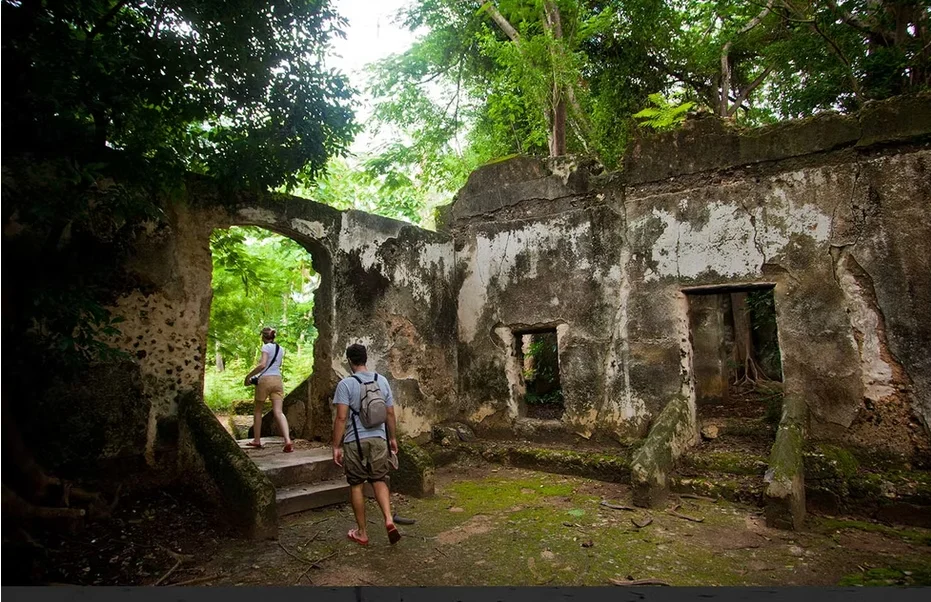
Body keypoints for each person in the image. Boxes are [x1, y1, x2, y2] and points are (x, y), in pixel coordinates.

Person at [332, 343, 401, 546]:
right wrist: (392, 438)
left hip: (355, 441)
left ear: (349, 361)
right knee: (379, 479)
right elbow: (390, 413)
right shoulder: (382, 380)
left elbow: (341, 418)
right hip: (379, 438)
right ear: (366, 358)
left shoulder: (345, 384)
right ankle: (388, 519)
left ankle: (362, 532)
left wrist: (336, 446)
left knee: (356, 485)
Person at [243, 327, 294, 453]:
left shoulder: (266, 347)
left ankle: (256, 440)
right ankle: (287, 440)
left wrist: (249, 376)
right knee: (278, 412)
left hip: (265, 380)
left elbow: (263, 365)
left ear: (263, 337)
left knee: (258, 410)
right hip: (277, 380)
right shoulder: (280, 349)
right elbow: (278, 365)